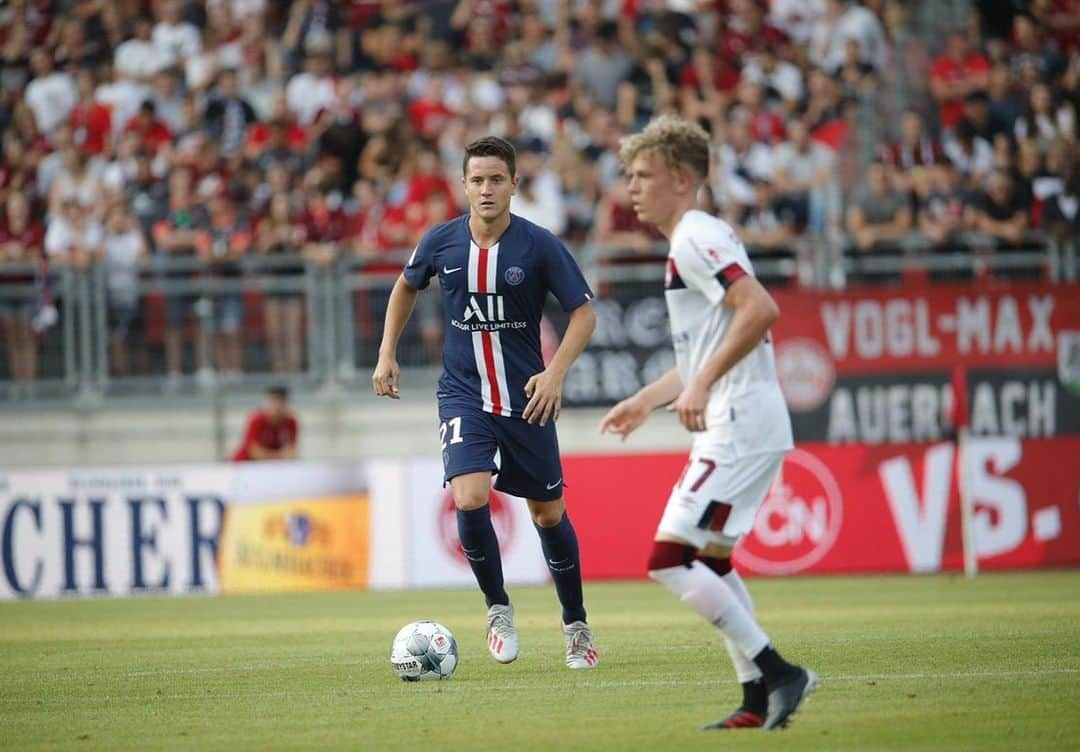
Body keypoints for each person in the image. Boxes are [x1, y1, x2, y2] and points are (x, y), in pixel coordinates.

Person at [599, 116, 816, 731]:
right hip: (746, 417)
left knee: (668, 557)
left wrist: (698, 385)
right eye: (630, 175)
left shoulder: (694, 235)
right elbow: (707, 347)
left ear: (682, 178)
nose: (631, 187)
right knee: (712, 560)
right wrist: (647, 399)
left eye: (643, 175)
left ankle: (779, 671)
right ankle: (755, 698)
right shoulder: (696, 237)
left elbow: (760, 310)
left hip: (740, 420)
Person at [372, 136, 600, 670]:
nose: (487, 188)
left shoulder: (539, 246)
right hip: (463, 395)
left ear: (515, 184)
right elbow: (405, 287)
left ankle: (576, 625)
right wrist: (387, 353)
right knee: (469, 496)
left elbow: (583, 313)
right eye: (477, 179)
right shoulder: (442, 242)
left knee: (548, 513)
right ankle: (497, 608)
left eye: (497, 179)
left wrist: (555, 373)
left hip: (526, 398)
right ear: (464, 185)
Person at [231, 385, 299, 461]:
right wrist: (281, 455)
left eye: (279, 401)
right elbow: (255, 453)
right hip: (246, 464)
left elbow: (291, 452)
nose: (276, 406)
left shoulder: (291, 422)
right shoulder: (257, 420)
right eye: (273, 401)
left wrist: (268, 454)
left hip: (270, 466)